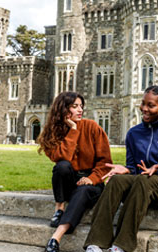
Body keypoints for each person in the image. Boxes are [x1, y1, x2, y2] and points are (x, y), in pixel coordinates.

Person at [84, 85, 158, 252]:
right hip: (142, 187)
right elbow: (134, 168)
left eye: (151, 105)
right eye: (143, 104)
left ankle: (121, 246)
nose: (144, 109)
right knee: (117, 180)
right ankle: (96, 242)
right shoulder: (134, 133)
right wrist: (126, 170)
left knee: (143, 179)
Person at [37, 92, 112, 252]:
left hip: (92, 183)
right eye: (74, 106)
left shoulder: (92, 127)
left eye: (81, 107)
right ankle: (59, 208)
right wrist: (73, 130)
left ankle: (56, 237)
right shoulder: (52, 133)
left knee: (83, 189)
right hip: (70, 183)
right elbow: (61, 157)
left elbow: (105, 163)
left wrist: (91, 178)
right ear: (63, 109)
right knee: (62, 166)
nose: (80, 110)